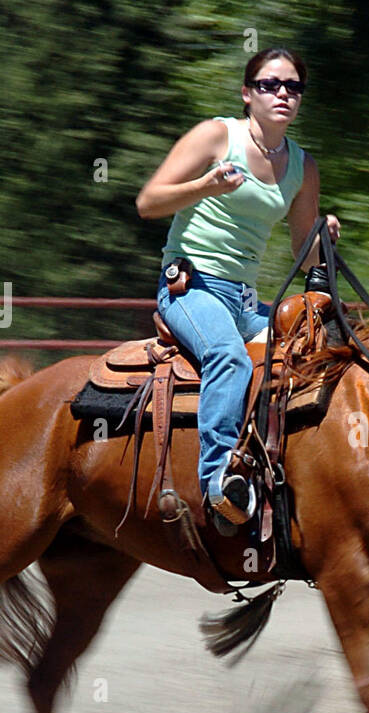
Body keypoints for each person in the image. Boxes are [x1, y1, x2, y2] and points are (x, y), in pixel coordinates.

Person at [135, 47, 339, 529]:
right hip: (191, 289)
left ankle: (294, 473)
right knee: (227, 355)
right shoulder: (216, 135)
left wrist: (322, 239)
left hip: (245, 301)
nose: (283, 94)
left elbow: (302, 254)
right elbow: (148, 202)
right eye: (270, 85)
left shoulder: (302, 166)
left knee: (316, 354)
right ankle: (217, 485)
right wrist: (205, 187)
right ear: (247, 94)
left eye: (293, 87)